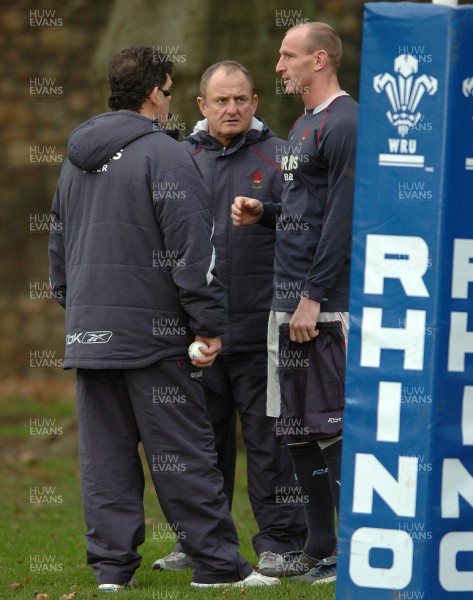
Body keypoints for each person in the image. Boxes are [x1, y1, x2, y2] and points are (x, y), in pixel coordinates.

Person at [48, 45, 280, 590]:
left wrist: (79, 308)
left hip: (91, 334)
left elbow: (57, 250)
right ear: (157, 92)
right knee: (184, 453)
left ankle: (111, 572)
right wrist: (208, 326)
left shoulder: (74, 159)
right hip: (156, 338)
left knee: (104, 461)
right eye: (170, 92)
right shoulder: (167, 155)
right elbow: (193, 254)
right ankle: (219, 568)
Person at [152, 60, 308, 578]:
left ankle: (280, 542)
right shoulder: (176, 160)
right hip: (196, 332)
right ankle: (199, 543)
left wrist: (267, 215)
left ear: (256, 101)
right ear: (202, 106)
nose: (232, 108)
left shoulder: (283, 156)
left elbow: (314, 226)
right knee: (200, 444)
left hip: (263, 328)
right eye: (221, 100)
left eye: (241, 98)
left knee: (269, 442)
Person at [232, 22, 358, 585]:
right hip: (287, 300)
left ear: (320, 60)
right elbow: (306, 210)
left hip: (321, 304)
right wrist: (268, 213)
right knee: (297, 430)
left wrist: (313, 298)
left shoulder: (347, 122)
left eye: (289, 56)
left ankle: (346, 554)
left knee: (330, 427)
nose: (279, 66)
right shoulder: (304, 123)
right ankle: (318, 545)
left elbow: (341, 219)